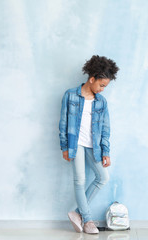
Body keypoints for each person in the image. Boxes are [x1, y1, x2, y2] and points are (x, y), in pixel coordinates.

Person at [59, 55, 119, 234]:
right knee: (80, 180)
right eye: (101, 85)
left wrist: (106, 151)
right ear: (91, 79)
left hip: (95, 146)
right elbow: (63, 123)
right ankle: (87, 220)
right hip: (75, 144)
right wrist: (64, 146)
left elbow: (106, 129)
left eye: (105, 87)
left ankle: (77, 213)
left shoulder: (101, 102)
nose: (102, 89)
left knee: (103, 177)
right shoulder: (70, 95)